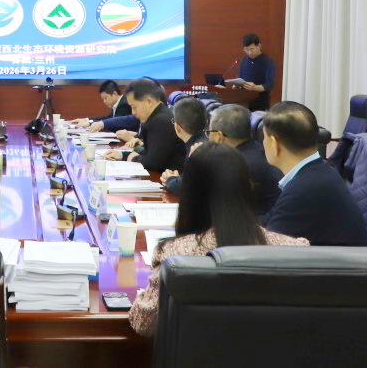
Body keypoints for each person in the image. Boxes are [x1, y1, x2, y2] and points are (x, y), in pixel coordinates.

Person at [128, 142, 309, 337]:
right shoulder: (295, 251)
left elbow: (143, 323)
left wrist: (142, 294)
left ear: (189, 195)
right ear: (247, 189)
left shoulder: (175, 254)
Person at [263, 101, 367, 246]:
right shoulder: (318, 172)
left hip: (333, 261)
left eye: (264, 137)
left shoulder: (304, 189)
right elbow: (269, 220)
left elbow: (269, 248)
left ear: (274, 144)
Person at [205, 104, 283, 215]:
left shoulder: (237, 166)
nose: (208, 138)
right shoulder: (255, 149)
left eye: (209, 133)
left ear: (219, 136)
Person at [103, 78, 185, 172]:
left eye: (134, 107)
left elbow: (153, 163)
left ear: (149, 101)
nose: (133, 112)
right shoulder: (157, 116)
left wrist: (133, 158)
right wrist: (122, 155)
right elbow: (148, 153)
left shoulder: (161, 121)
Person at [159, 97, 208, 194]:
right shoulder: (203, 140)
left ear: (177, 127)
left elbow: (186, 187)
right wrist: (175, 179)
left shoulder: (198, 148)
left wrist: (171, 180)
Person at [237, 33, 275, 111]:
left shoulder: (268, 61)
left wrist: (255, 87)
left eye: (252, 49)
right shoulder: (244, 61)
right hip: (244, 102)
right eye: (246, 50)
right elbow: (239, 78)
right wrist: (236, 84)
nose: (249, 52)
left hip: (260, 102)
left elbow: (269, 85)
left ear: (259, 46)